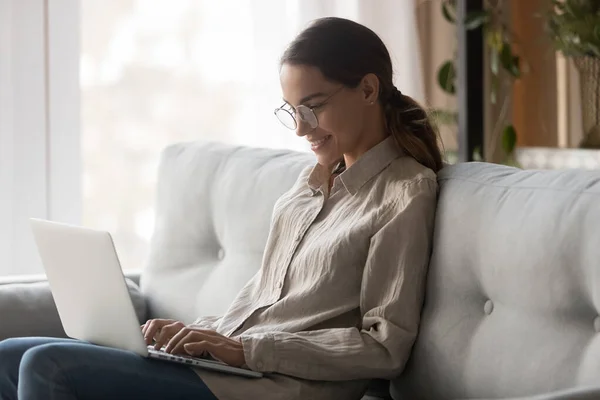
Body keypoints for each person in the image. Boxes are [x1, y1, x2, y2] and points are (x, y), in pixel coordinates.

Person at [0, 17, 442, 400]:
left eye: (314, 107)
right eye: (291, 111)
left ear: (368, 89)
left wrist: (245, 350)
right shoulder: (305, 190)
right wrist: (194, 334)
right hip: (228, 370)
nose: (301, 129)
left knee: (46, 365)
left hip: (274, 387)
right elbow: (260, 304)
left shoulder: (404, 192)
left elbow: (384, 347)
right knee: (7, 356)